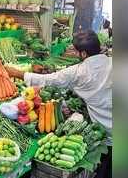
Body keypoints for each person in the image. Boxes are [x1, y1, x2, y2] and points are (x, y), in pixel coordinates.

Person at [6, 29, 112, 178]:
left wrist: (16, 73)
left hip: (106, 128)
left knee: (106, 166)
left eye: (76, 52)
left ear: (83, 54)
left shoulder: (79, 71)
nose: (75, 54)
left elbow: (50, 80)